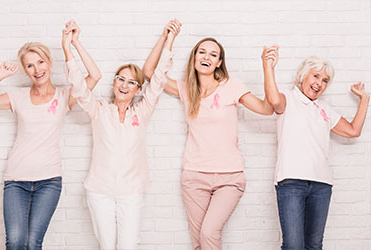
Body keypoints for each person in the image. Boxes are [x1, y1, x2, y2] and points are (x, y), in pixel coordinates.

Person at [143, 20, 274, 250]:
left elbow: (266, 109)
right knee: (199, 241)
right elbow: (149, 73)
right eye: (202, 52)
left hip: (229, 178)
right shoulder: (186, 89)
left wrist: (267, 67)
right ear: (194, 58)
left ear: (219, 63)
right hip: (194, 177)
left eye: (213, 54)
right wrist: (167, 38)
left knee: (209, 232)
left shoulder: (231, 85)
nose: (207, 56)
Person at [0, 20, 101, 250]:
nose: (37, 69)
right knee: (15, 242)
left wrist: (70, 44)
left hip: (49, 182)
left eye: (41, 62)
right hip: (16, 181)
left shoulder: (65, 95)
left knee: (33, 244)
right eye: (30, 66)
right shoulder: (17, 96)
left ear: (50, 63)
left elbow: (95, 75)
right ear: (25, 70)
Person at [65, 21, 179, 250]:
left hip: (131, 192)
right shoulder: (98, 110)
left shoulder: (142, 111)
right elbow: (78, 86)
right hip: (99, 191)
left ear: (138, 90)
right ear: (114, 83)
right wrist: (71, 46)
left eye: (131, 82)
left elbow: (157, 80)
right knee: (107, 246)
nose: (124, 85)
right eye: (120, 79)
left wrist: (168, 39)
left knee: (128, 245)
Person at [262, 46, 369, 249]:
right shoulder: (288, 99)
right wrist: (268, 65)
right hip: (291, 183)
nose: (319, 83)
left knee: (314, 246)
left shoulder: (325, 109)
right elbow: (274, 100)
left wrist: (365, 99)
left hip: (321, 185)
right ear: (303, 76)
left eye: (325, 80)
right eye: (316, 76)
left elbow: (353, 131)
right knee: (294, 246)